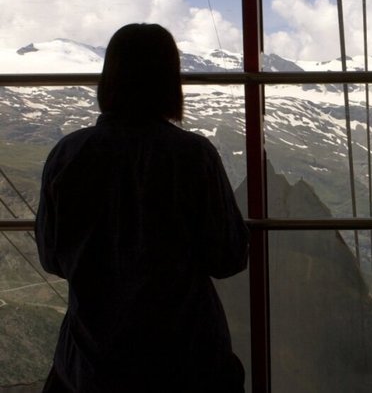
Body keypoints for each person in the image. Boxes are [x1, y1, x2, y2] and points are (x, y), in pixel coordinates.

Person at [35, 23, 249, 393]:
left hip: (89, 363)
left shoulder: (68, 154)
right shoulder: (193, 156)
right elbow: (228, 257)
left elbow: (52, 257)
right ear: (170, 83)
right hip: (187, 358)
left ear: (109, 79)